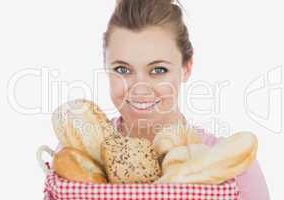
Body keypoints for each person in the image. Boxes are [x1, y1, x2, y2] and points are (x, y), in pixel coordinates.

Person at [102, 0, 270, 199]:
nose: (140, 89)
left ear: (186, 68)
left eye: (158, 70)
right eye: (122, 70)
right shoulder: (77, 157)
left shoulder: (235, 166)